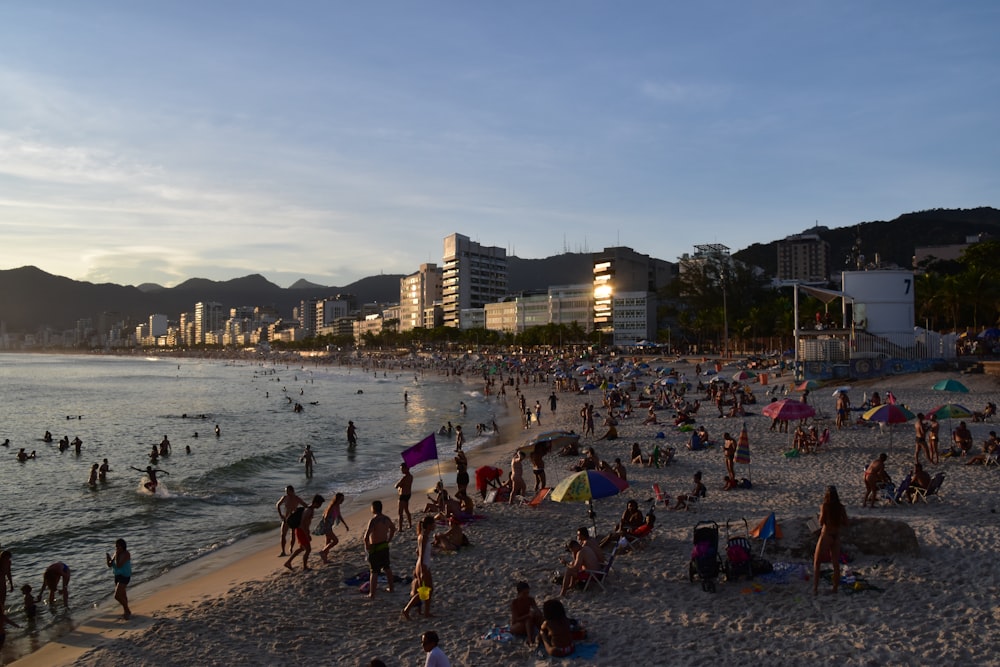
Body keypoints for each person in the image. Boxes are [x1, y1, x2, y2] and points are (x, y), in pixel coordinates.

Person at [813, 485, 849, 595]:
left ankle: (815, 589)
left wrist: (818, 517)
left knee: (817, 562)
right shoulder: (841, 507)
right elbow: (846, 522)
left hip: (827, 535)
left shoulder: (825, 506)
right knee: (835, 564)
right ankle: (835, 589)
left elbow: (820, 522)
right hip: (836, 536)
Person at [401, 515, 436, 620]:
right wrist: (421, 569)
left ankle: (426, 612)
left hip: (424, 564)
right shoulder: (424, 536)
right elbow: (420, 553)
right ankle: (406, 610)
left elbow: (418, 551)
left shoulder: (423, 535)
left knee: (428, 590)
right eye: (433, 523)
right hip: (423, 566)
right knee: (424, 591)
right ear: (429, 525)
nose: (435, 525)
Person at [363, 500, 397, 598]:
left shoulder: (373, 520)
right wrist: (389, 539)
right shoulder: (386, 519)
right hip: (384, 546)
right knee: (387, 568)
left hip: (375, 547)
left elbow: (366, 536)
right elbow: (393, 529)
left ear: (373, 509)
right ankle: (391, 588)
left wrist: (367, 546)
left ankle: (372, 593)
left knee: (374, 571)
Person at [284, 494, 324, 571]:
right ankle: (305, 567)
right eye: (320, 504)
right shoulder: (309, 510)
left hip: (302, 530)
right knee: (308, 549)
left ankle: (288, 562)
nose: (320, 506)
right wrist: (307, 534)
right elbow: (302, 524)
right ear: (316, 503)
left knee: (302, 548)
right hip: (301, 531)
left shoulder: (309, 509)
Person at [318, 492, 350, 563]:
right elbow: (325, 517)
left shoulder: (337, 506)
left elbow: (339, 516)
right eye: (342, 499)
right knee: (335, 541)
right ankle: (322, 552)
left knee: (328, 543)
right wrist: (326, 527)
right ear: (338, 499)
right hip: (327, 526)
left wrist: (345, 525)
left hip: (329, 526)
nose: (343, 500)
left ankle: (325, 560)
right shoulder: (332, 506)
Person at [276, 486, 306, 557]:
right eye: (286, 491)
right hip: (286, 518)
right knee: (283, 534)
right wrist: (280, 515)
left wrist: (301, 514)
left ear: (292, 491)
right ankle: (283, 551)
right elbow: (278, 505)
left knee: (293, 534)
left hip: (294, 518)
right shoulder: (285, 498)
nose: (286, 493)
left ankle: (291, 549)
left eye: (288, 491)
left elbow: (305, 505)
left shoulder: (297, 498)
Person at [106, 538, 132, 619]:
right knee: (123, 595)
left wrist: (116, 555)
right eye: (116, 547)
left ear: (123, 546)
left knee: (117, 596)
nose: (117, 548)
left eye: (118, 547)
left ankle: (127, 610)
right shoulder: (116, 553)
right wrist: (108, 559)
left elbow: (119, 565)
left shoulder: (126, 554)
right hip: (117, 576)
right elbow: (110, 565)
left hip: (124, 576)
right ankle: (126, 611)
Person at [395, 463, 414, 531]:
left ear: (406, 468)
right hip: (408, 494)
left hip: (403, 496)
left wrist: (399, 485)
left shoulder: (404, 478)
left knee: (400, 512)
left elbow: (396, 486)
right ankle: (410, 524)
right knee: (406, 510)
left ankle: (400, 528)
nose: (401, 471)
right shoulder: (411, 476)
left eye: (402, 469)